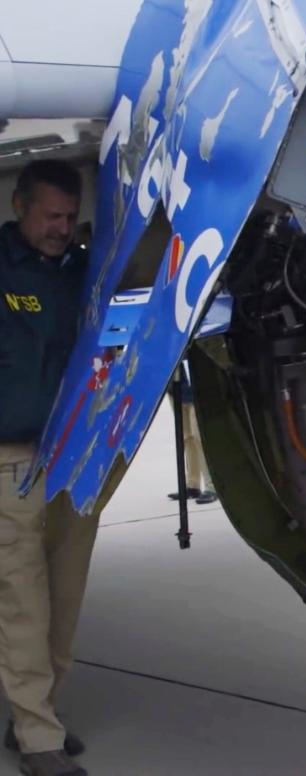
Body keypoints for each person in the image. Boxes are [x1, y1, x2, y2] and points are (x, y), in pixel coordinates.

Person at [0, 160, 95, 776]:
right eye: (49, 216)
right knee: (23, 599)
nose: (61, 228)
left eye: (69, 217)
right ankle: (37, 735)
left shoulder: (85, 271)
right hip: (9, 458)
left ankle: (39, 713)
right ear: (18, 206)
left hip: (72, 457)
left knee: (65, 597)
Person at [166, 362, 216, 505]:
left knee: (199, 436)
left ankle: (212, 485)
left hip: (196, 388)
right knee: (186, 437)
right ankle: (192, 485)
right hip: (175, 387)